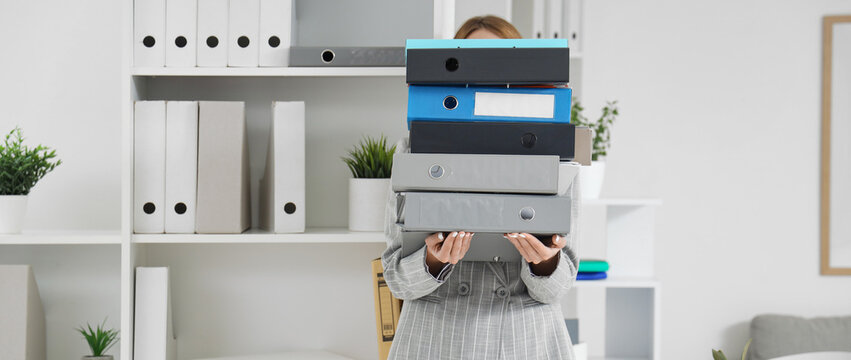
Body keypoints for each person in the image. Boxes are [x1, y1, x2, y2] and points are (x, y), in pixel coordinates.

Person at [381, 15, 580, 360]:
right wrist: (433, 261)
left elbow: (560, 287)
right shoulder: (413, 150)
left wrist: (544, 263)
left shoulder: (557, 155)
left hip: (524, 340)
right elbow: (397, 281)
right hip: (435, 338)